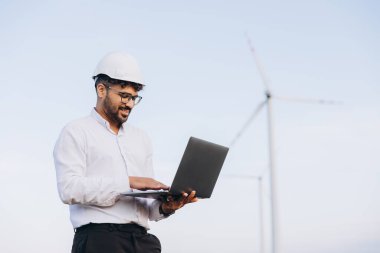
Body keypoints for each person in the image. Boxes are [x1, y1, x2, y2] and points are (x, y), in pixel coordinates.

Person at [53, 51, 198, 253]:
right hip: (100, 241)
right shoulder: (76, 131)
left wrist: (166, 207)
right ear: (101, 89)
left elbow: (148, 209)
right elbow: (69, 189)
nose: (129, 103)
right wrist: (128, 181)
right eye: (124, 95)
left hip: (143, 241)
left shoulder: (141, 139)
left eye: (134, 98)